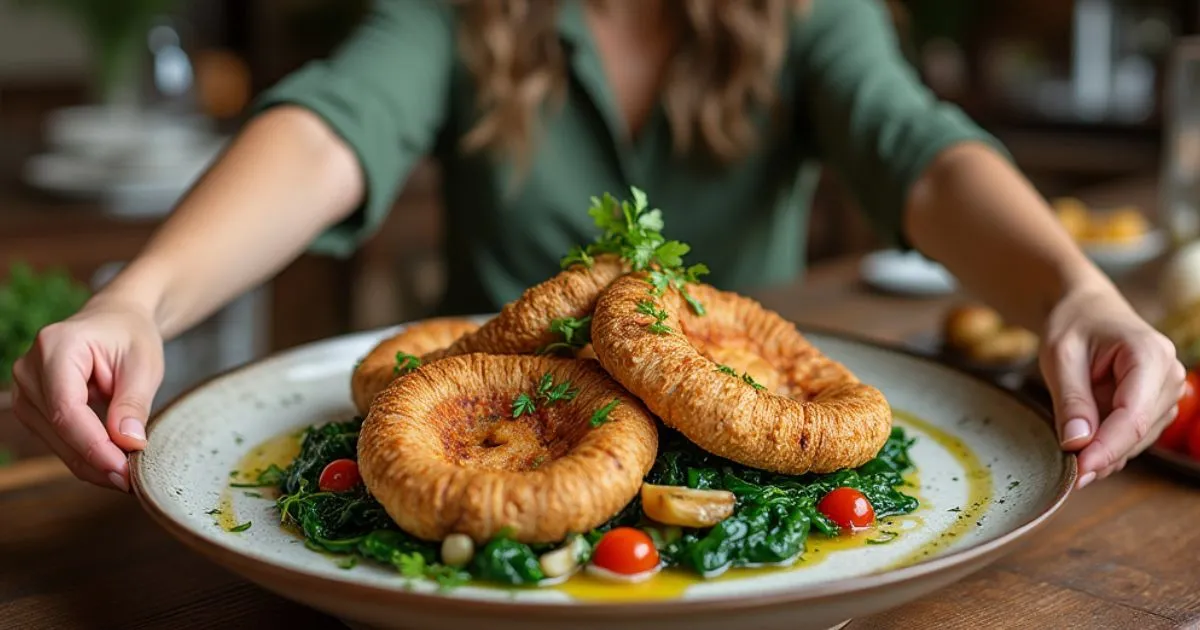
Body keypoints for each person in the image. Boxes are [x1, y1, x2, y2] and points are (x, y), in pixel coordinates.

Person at [10, 0, 1182, 494]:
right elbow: (330, 130)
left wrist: (1072, 294)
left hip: (743, 436)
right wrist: (143, 299)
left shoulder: (804, 13)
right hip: (488, 447)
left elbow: (916, 149)